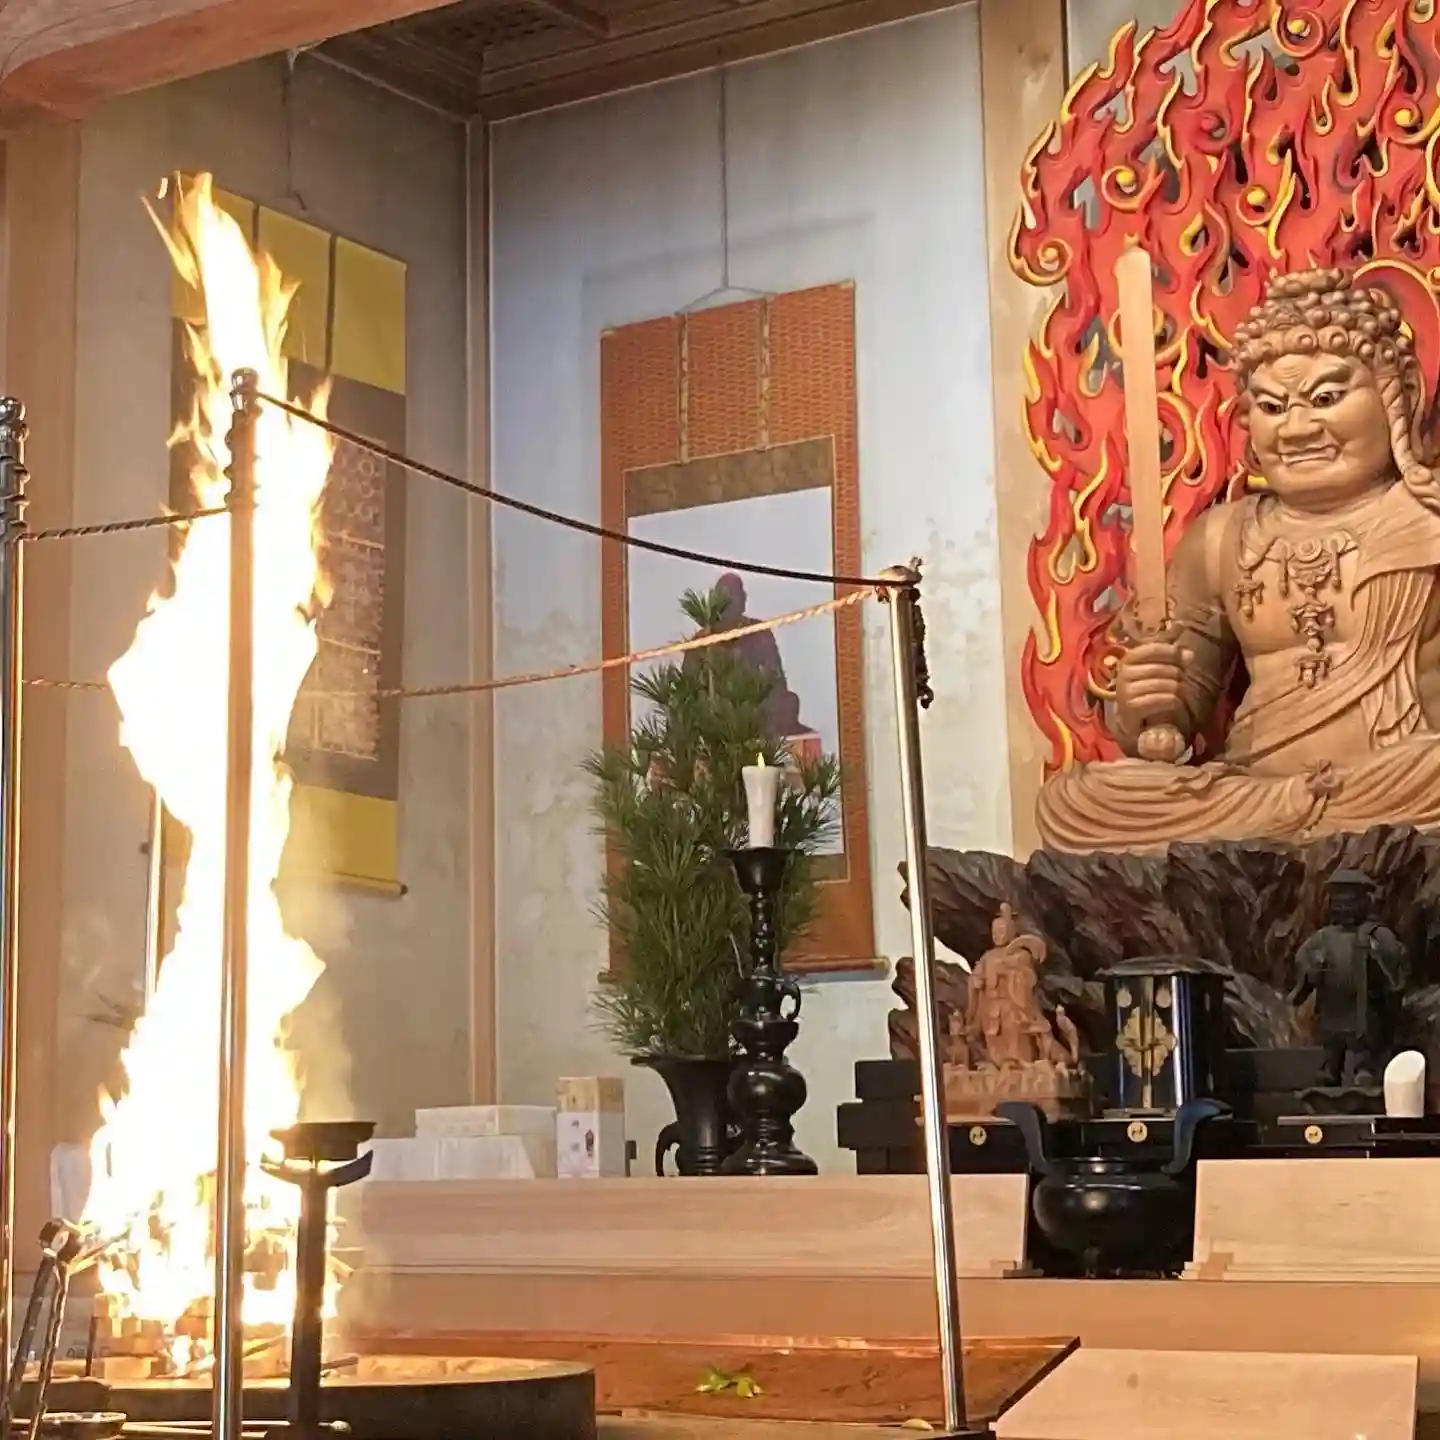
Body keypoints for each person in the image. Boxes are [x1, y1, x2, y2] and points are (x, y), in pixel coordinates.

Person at [1039, 267, 1440, 851]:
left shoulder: (1429, 520)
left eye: (1326, 398)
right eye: (1272, 406)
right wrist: (1145, 704)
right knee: (1077, 801)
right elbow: (1171, 721)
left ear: (1398, 396)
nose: (1297, 429)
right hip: (1256, 795)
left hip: (1398, 786)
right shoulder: (1222, 538)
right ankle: (1296, 828)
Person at [1288, 870, 1407, 1087]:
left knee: (1364, 1039)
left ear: (1365, 903)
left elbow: (1395, 960)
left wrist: (1377, 957)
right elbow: (1303, 958)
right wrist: (1312, 968)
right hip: (1332, 1004)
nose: (1344, 910)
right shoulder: (1323, 937)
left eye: (1350, 904)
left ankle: (1365, 1069)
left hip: (1363, 1004)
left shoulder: (1376, 934)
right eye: (1338, 905)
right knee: (1332, 1040)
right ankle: (1331, 1069)